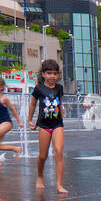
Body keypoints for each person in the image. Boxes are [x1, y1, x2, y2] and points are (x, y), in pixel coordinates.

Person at [27, 58, 67, 193]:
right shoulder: (39, 88)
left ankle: (59, 185)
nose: (52, 76)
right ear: (43, 74)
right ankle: (39, 176)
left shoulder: (59, 88)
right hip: (43, 125)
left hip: (57, 124)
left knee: (59, 151)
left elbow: (59, 102)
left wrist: (62, 111)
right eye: (49, 73)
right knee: (42, 156)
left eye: (55, 74)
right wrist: (30, 120)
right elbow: (33, 104)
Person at [0, 76, 23, 167]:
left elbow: (13, 109)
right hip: (0, 124)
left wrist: (19, 122)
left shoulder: (4, 98)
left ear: (2, 87)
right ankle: (15, 149)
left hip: (7, 123)